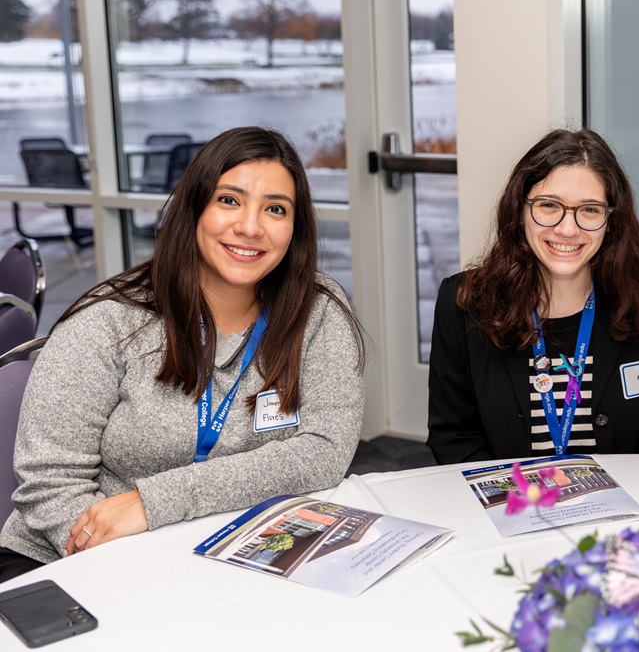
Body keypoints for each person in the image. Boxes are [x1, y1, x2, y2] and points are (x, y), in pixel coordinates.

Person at [0, 127, 366, 581]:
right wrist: (151, 570)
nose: (250, 227)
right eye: (229, 200)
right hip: (76, 560)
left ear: (295, 228)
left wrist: (153, 502)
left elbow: (323, 451)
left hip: (234, 550)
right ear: (193, 209)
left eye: (275, 209)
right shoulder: (110, 321)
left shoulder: (318, 309)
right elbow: (50, 483)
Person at [427, 128, 639, 464]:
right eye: (549, 205)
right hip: (508, 508)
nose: (568, 229)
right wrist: (515, 507)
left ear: (612, 220)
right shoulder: (466, 303)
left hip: (625, 512)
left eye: (590, 210)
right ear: (520, 210)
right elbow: (453, 438)